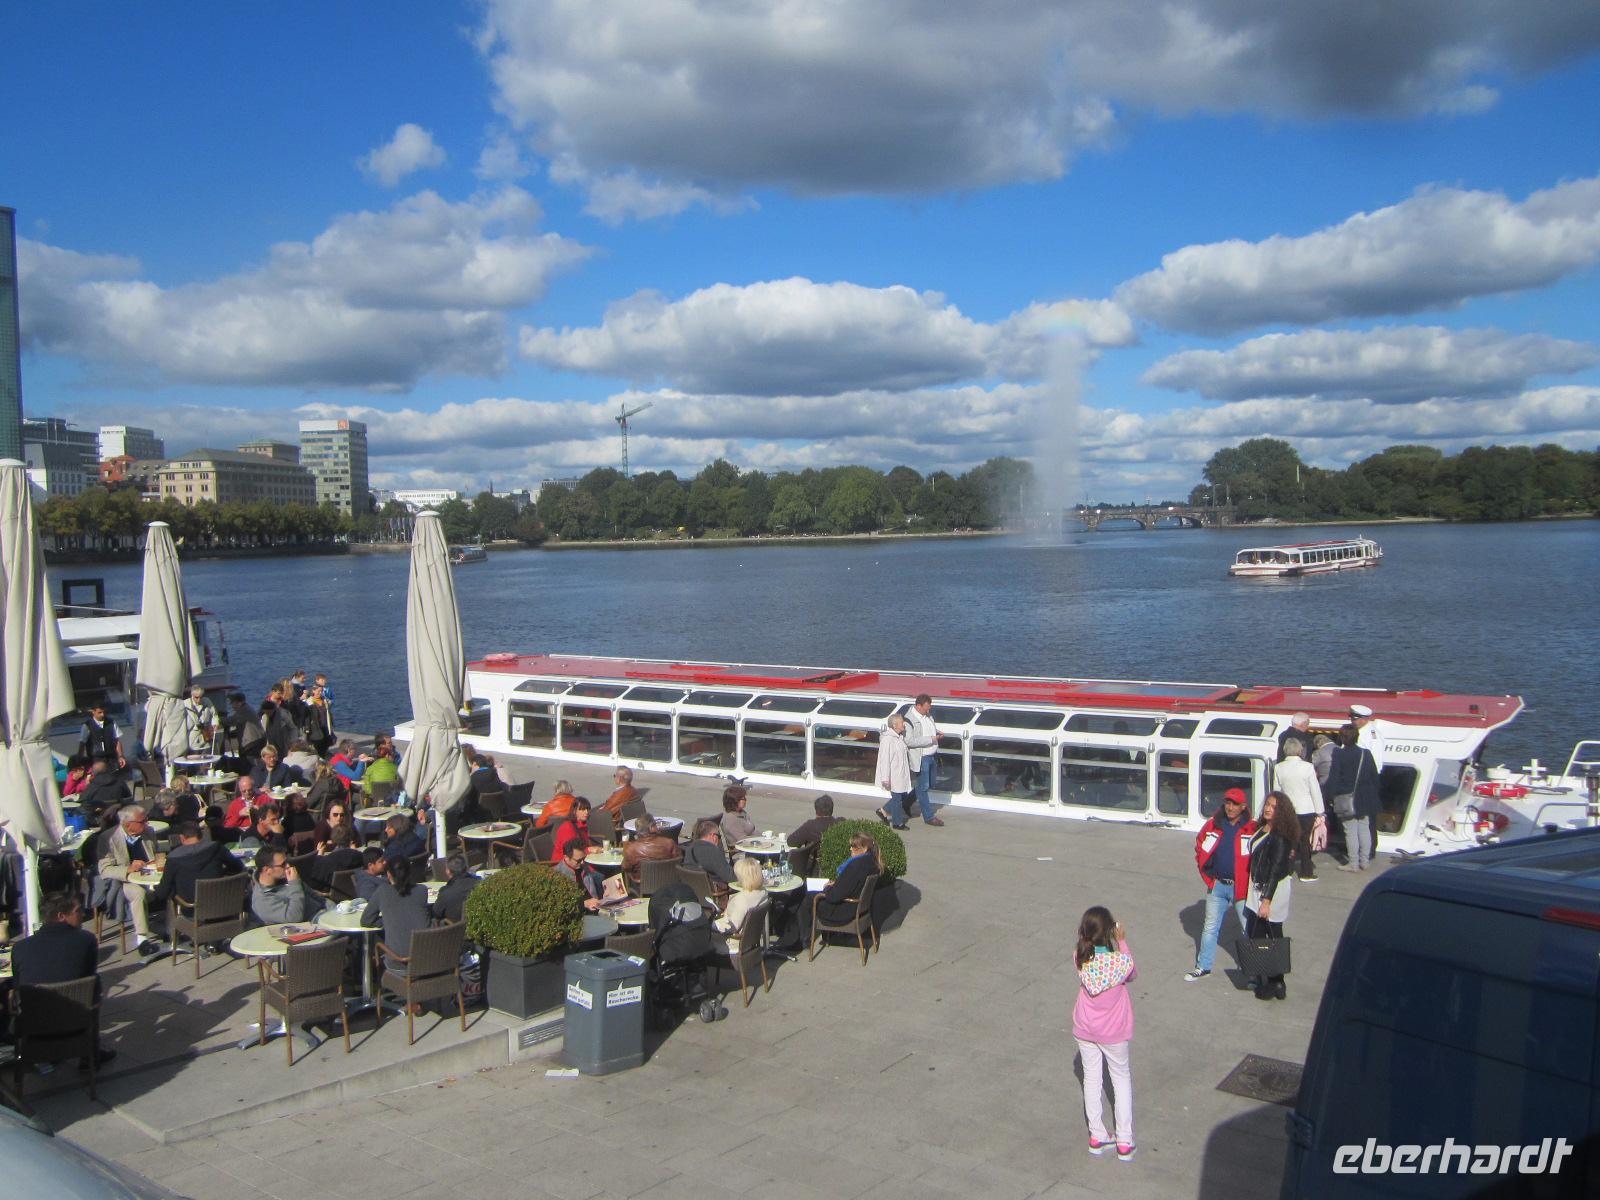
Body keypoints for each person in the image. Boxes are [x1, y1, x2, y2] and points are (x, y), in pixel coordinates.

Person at [10, 892, 116, 1069]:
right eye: (78, 911)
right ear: (61, 916)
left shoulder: (20, 948)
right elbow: (89, 976)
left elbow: (17, 984)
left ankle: (35, 1055)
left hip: (35, 1027)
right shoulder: (86, 940)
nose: (83, 914)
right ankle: (89, 1057)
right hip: (75, 1022)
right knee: (94, 985)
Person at [1072, 906, 1137, 1160]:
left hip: (1085, 1027)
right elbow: (1132, 972)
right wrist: (1122, 942)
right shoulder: (1120, 961)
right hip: (1114, 1030)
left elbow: (1090, 955)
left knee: (1091, 1078)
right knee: (1120, 1078)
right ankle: (1124, 1139)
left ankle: (1097, 1134)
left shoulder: (1079, 955)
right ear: (1110, 930)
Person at [1185, 788, 1255, 982]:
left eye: (1234, 804)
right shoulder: (1214, 825)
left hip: (1241, 889)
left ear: (1243, 807)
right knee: (1210, 927)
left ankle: (1252, 971)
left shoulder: (1251, 827)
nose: (1230, 807)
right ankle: (1203, 966)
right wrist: (1208, 876)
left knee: (1248, 929)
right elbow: (1200, 845)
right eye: (1227, 803)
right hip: (1218, 886)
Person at [1245, 792, 1300, 1000]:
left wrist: (1266, 901)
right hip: (1259, 887)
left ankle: (1275, 981)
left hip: (1270, 891)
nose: (1268, 809)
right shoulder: (1264, 828)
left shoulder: (1279, 836)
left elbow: (1276, 869)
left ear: (1282, 812)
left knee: (1267, 934)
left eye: (1274, 807)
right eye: (1267, 805)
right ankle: (1273, 980)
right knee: (1262, 934)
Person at [98, 805, 162, 957]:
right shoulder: (108, 839)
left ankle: (174, 926)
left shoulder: (149, 832)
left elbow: (156, 853)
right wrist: (128, 869)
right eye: (142, 821)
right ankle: (142, 939)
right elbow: (105, 869)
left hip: (150, 875)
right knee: (138, 893)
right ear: (128, 825)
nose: (147, 823)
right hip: (125, 880)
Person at [361, 856, 432, 978]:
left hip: (400, 964)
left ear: (388, 874)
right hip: (428, 961)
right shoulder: (422, 890)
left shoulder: (383, 891)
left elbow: (366, 920)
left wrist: (386, 921)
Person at [1325, 724, 1380, 872]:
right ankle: (1365, 861)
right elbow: (1374, 777)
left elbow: (1334, 778)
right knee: (1364, 829)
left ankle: (1353, 863)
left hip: (1346, 798)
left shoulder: (1338, 754)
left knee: (1350, 831)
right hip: (1365, 798)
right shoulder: (1366, 753)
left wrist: (1329, 796)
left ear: (1342, 737)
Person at [152, 820, 243, 908]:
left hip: (192, 909)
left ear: (182, 838)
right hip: (224, 906)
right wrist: (221, 873)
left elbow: (162, 893)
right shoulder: (217, 847)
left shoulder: (173, 858)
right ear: (201, 835)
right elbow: (238, 866)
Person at [1274, 738, 1324, 882]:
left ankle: (1287, 871)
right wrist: (1320, 811)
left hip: (1288, 809)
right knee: (1304, 841)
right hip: (1306, 809)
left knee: (1289, 840)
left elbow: (1277, 791)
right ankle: (1306, 872)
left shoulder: (1279, 767)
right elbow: (1315, 790)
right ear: (1299, 750)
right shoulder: (1308, 767)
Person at [814, 831, 879, 927]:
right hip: (860, 908)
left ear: (864, 849)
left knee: (808, 898)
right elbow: (851, 885)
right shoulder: (872, 861)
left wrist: (826, 888)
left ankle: (803, 938)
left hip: (842, 912)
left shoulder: (855, 866)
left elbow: (834, 897)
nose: (850, 849)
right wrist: (837, 884)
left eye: (853, 846)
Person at [249, 846, 322, 924]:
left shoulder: (284, 878)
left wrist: (333, 908)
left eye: (287, 861)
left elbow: (317, 897)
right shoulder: (262, 900)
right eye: (283, 864)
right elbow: (294, 918)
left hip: (323, 913)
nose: (288, 866)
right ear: (267, 870)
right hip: (311, 925)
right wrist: (295, 884)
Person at [903, 694, 945, 826]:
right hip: (922, 757)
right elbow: (909, 741)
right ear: (918, 706)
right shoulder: (909, 720)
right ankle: (929, 817)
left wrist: (937, 733)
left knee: (929, 784)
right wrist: (931, 739)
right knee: (924, 787)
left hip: (932, 755)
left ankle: (906, 802)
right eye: (926, 708)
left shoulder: (927, 716)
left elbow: (928, 729)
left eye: (929, 708)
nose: (928, 711)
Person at [712, 857, 767, 957]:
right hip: (752, 940)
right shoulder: (763, 893)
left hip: (735, 943)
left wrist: (712, 924)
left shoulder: (741, 900)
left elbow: (732, 927)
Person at [873, 713, 915, 830]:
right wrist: (885, 778)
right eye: (902, 723)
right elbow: (885, 760)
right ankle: (897, 823)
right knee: (897, 799)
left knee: (902, 796)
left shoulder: (899, 737)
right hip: (894, 775)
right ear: (895, 725)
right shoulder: (888, 740)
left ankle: (884, 811)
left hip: (901, 774)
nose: (904, 725)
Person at [622, 818, 683, 886]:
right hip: (667, 884)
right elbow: (679, 861)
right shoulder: (669, 843)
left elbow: (626, 867)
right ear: (652, 828)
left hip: (642, 885)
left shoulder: (631, 849)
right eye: (655, 825)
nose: (658, 827)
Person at [306, 825, 364, 890]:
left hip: (333, 895)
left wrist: (319, 856)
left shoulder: (325, 861)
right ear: (351, 840)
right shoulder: (360, 856)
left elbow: (315, 882)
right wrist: (354, 851)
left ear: (332, 841)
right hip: (355, 892)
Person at [682, 816, 735, 885]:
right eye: (718, 837)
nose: (719, 840)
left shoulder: (689, 848)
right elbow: (731, 878)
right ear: (713, 836)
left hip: (694, 888)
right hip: (714, 891)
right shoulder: (713, 852)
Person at [554, 841, 604, 911]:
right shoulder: (558, 875)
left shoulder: (582, 866)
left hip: (595, 906)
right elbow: (561, 904)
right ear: (566, 857)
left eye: (584, 858)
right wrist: (584, 904)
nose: (582, 862)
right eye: (579, 860)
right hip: (579, 913)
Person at [432, 852, 481, 922]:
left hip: (453, 928)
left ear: (448, 872)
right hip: (478, 925)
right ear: (466, 868)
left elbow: (437, 914)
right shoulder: (479, 883)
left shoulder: (445, 892)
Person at [78, 703, 126, 771]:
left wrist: (121, 756)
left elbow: (117, 741)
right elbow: (82, 743)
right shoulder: (87, 725)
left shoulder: (111, 722)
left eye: (104, 712)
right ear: (93, 712)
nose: (102, 715)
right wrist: (80, 760)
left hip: (111, 758)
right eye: (99, 712)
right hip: (96, 759)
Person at [550, 798, 593, 863]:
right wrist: (589, 850)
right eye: (583, 809)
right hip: (563, 863)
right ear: (574, 811)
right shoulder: (567, 827)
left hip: (579, 860)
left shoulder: (583, 826)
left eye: (588, 809)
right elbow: (570, 851)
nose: (586, 812)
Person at [182, 685, 217, 755]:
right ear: (192, 695)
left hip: (205, 735)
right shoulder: (185, 704)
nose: (199, 700)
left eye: (201, 697)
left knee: (206, 757)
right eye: (196, 697)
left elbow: (214, 715)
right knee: (193, 758)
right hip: (192, 737)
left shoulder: (207, 701)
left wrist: (215, 724)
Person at [303, 684, 334, 758]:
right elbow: (306, 717)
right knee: (317, 748)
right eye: (318, 691)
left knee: (324, 747)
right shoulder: (308, 702)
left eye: (321, 691)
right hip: (315, 729)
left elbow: (328, 714)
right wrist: (307, 729)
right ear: (313, 691)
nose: (320, 693)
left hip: (325, 728)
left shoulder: (325, 701)